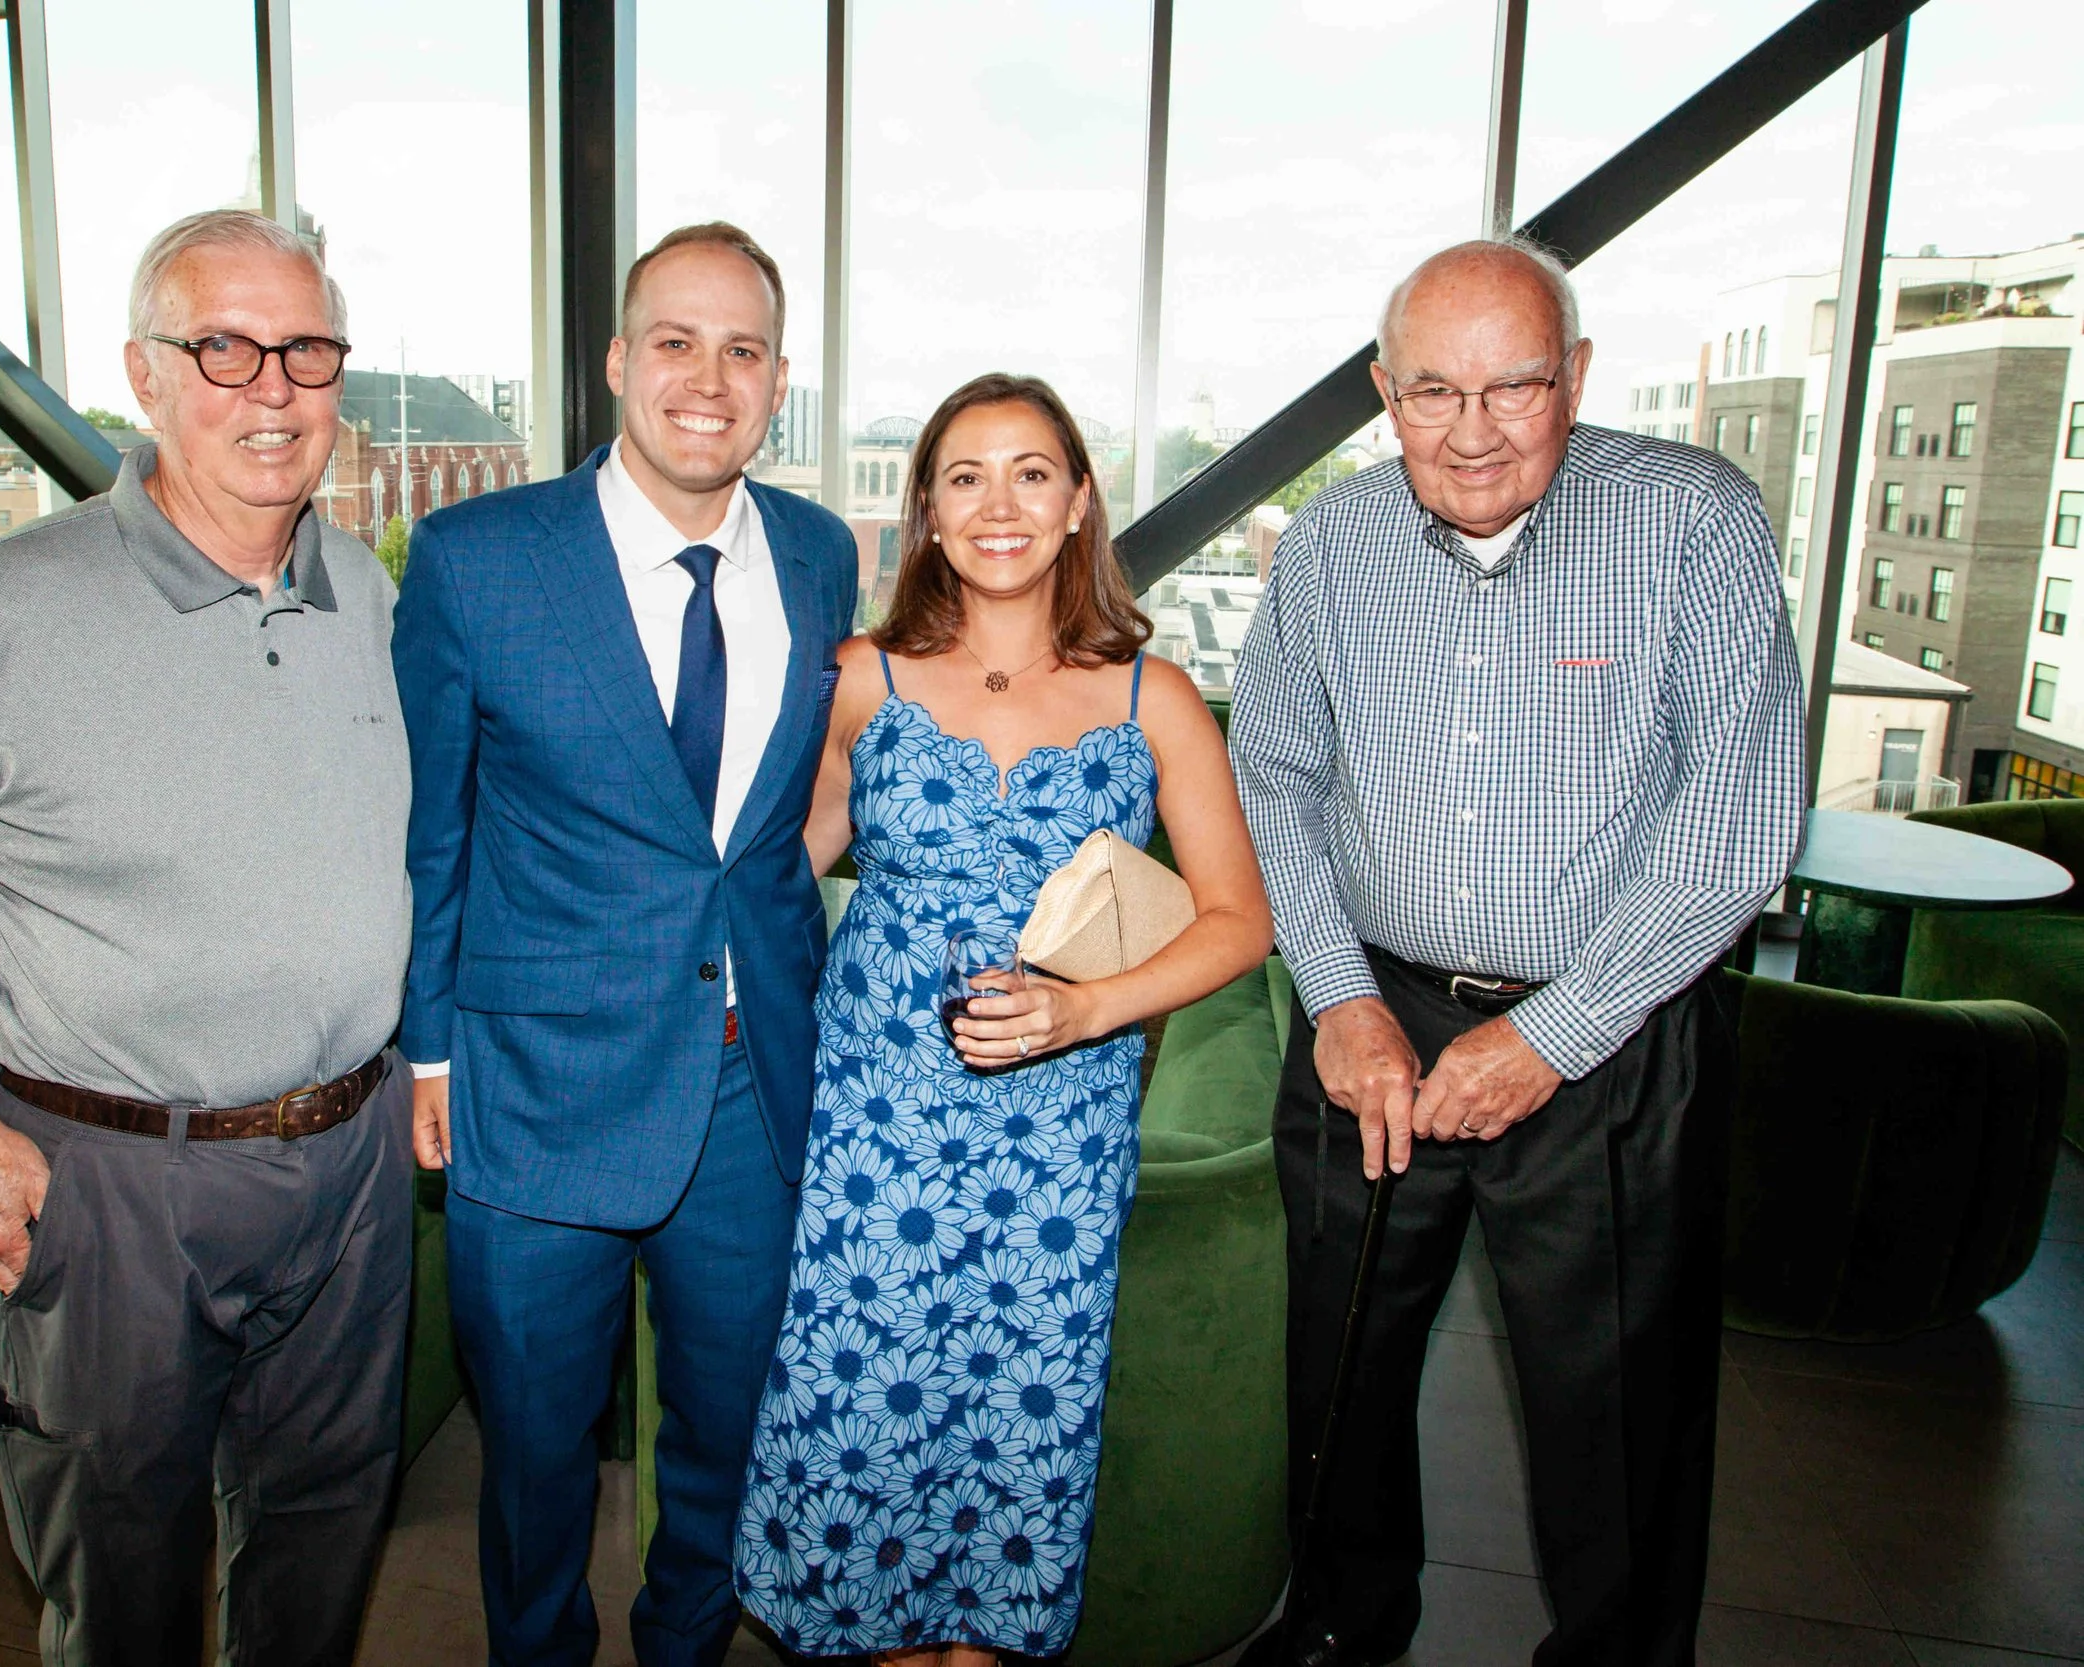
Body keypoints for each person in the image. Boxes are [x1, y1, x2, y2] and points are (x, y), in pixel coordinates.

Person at [0, 209, 413, 1667]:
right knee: (121, 1575)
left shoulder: (370, 595)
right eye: (225, 349)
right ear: (144, 374)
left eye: (307, 351)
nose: (274, 389)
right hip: (112, 1188)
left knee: (322, 1546)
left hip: (350, 1169)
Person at [1230, 238, 1806, 1667]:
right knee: (1339, 1362)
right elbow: (1276, 781)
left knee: (1617, 1405)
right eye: (1434, 391)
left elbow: (1738, 827)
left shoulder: (1696, 523)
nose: (1472, 430)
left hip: (1615, 1028)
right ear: (1385, 392)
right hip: (1376, 1015)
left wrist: (1549, 1036)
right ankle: (1343, 1622)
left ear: (1579, 377)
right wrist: (1340, 996)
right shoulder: (1329, 544)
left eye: (1516, 386)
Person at [736, 372, 1273, 1662]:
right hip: (876, 1125)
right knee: (865, 1419)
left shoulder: (1154, 697)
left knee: (1015, 1427)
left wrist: (1089, 1011)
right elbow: (775, 871)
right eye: (965, 477)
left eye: (1032, 474)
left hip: (1059, 1138)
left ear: (1080, 501)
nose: (999, 504)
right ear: (925, 509)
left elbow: (1238, 921)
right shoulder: (861, 679)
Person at [394, 221, 858, 1667]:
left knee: (730, 1436)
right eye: (675, 341)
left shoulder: (823, 554)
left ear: (778, 377)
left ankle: (685, 1648)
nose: (708, 379)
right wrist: (427, 1051)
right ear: (615, 361)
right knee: (534, 1457)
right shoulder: (476, 558)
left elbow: (781, 818)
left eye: (742, 350)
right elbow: (431, 826)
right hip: (533, 1090)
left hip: (753, 1088)